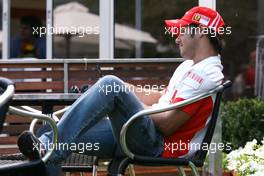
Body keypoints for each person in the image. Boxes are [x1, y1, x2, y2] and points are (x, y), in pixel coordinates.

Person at [17, 6, 225, 175]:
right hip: (141, 136)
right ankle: (46, 147)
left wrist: (121, 100)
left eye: (181, 30)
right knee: (52, 134)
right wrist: (125, 89)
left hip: (159, 147)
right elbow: (162, 98)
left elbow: (167, 124)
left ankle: (48, 148)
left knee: (109, 84)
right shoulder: (189, 66)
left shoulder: (207, 75)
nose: (176, 36)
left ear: (200, 32)